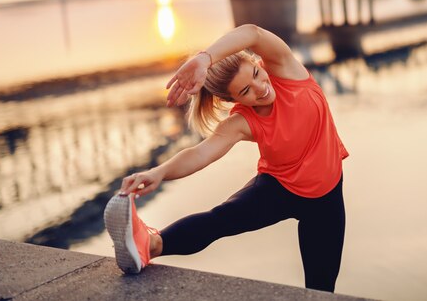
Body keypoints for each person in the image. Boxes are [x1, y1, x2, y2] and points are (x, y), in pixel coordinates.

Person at [103, 24, 349, 292]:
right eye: (245, 91)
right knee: (220, 220)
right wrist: (159, 172)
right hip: (280, 188)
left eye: (256, 74)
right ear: (232, 100)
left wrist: (204, 58)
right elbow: (200, 153)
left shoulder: (287, 71)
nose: (260, 88)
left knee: (322, 288)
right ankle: (148, 246)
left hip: (327, 197)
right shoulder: (243, 121)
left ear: (258, 62)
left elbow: (253, 33)